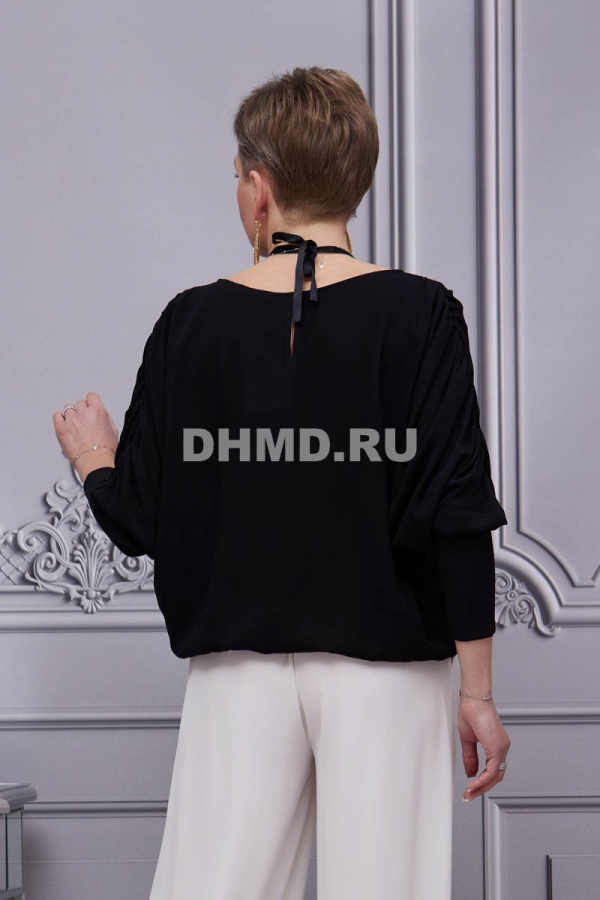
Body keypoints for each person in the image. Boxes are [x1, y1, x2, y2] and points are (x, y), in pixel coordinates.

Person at [52, 66, 511, 900]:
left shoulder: (190, 321)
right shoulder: (423, 314)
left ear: (259, 189)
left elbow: (139, 520)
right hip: (390, 670)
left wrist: (93, 458)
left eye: (237, 178)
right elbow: (457, 514)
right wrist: (477, 693)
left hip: (237, 673)